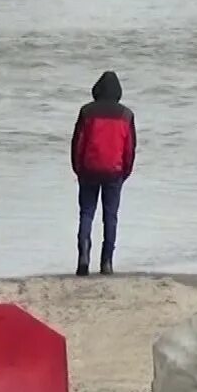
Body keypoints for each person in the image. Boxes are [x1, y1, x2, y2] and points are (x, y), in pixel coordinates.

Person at [70, 70, 136, 276]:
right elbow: (130, 148)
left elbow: (78, 143)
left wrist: (78, 168)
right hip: (115, 171)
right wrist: (125, 171)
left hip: (88, 169)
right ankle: (106, 262)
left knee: (86, 213)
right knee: (111, 217)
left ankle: (83, 257)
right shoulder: (126, 114)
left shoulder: (87, 112)